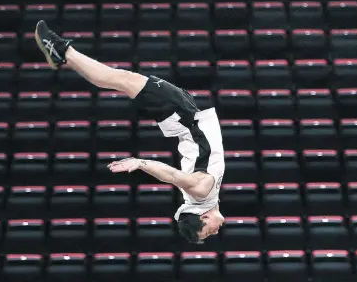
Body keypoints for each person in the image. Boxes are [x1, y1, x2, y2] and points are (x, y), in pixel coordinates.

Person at [35, 20, 225, 243]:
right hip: (185, 116)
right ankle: (62, 52)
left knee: (120, 79)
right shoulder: (203, 199)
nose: (216, 231)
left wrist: (141, 163)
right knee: (120, 80)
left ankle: (62, 51)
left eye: (210, 231)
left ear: (203, 216)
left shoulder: (202, 192)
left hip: (182, 117)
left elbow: (172, 176)